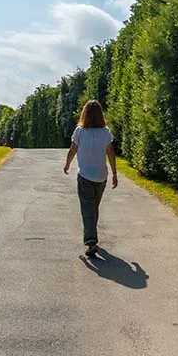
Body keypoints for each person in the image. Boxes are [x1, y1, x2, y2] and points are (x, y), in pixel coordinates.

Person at [63, 100, 118, 258]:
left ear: (84, 114)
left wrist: (67, 165)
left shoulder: (80, 131)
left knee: (88, 209)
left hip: (85, 176)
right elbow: (110, 153)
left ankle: (91, 241)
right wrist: (114, 173)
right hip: (101, 176)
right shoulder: (105, 132)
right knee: (93, 207)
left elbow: (73, 150)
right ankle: (92, 237)